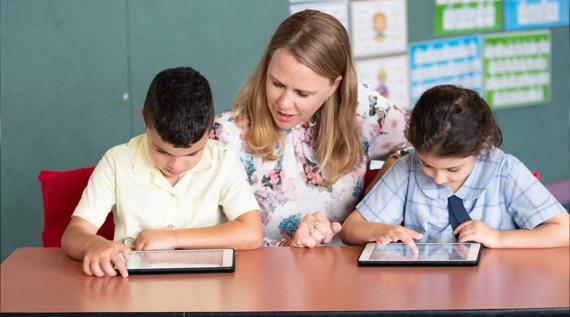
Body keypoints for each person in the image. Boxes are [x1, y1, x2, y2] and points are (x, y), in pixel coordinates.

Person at [210, 10, 407, 247]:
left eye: (302, 93)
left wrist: (392, 170)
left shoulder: (362, 110)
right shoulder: (225, 136)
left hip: (351, 276)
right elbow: (209, 239)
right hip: (263, 277)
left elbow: (433, 141)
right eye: (277, 83)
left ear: (335, 85)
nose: (284, 103)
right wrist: (287, 247)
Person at [62, 67, 263, 277]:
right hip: (133, 290)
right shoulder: (116, 161)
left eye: (192, 154)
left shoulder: (223, 160)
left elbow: (251, 233)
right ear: (144, 120)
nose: (175, 165)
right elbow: (73, 235)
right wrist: (93, 244)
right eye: (161, 150)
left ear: (210, 126)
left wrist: (172, 238)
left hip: (208, 289)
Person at [341, 85, 569, 252]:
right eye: (427, 164)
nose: (439, 178)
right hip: (426, 292)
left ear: (481, 147)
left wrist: (498, 238)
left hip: (495, 292)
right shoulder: (407, 168)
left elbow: (563, 229)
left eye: (453, 169)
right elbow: (350, 229)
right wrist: (380, 231)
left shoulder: (504, 170)